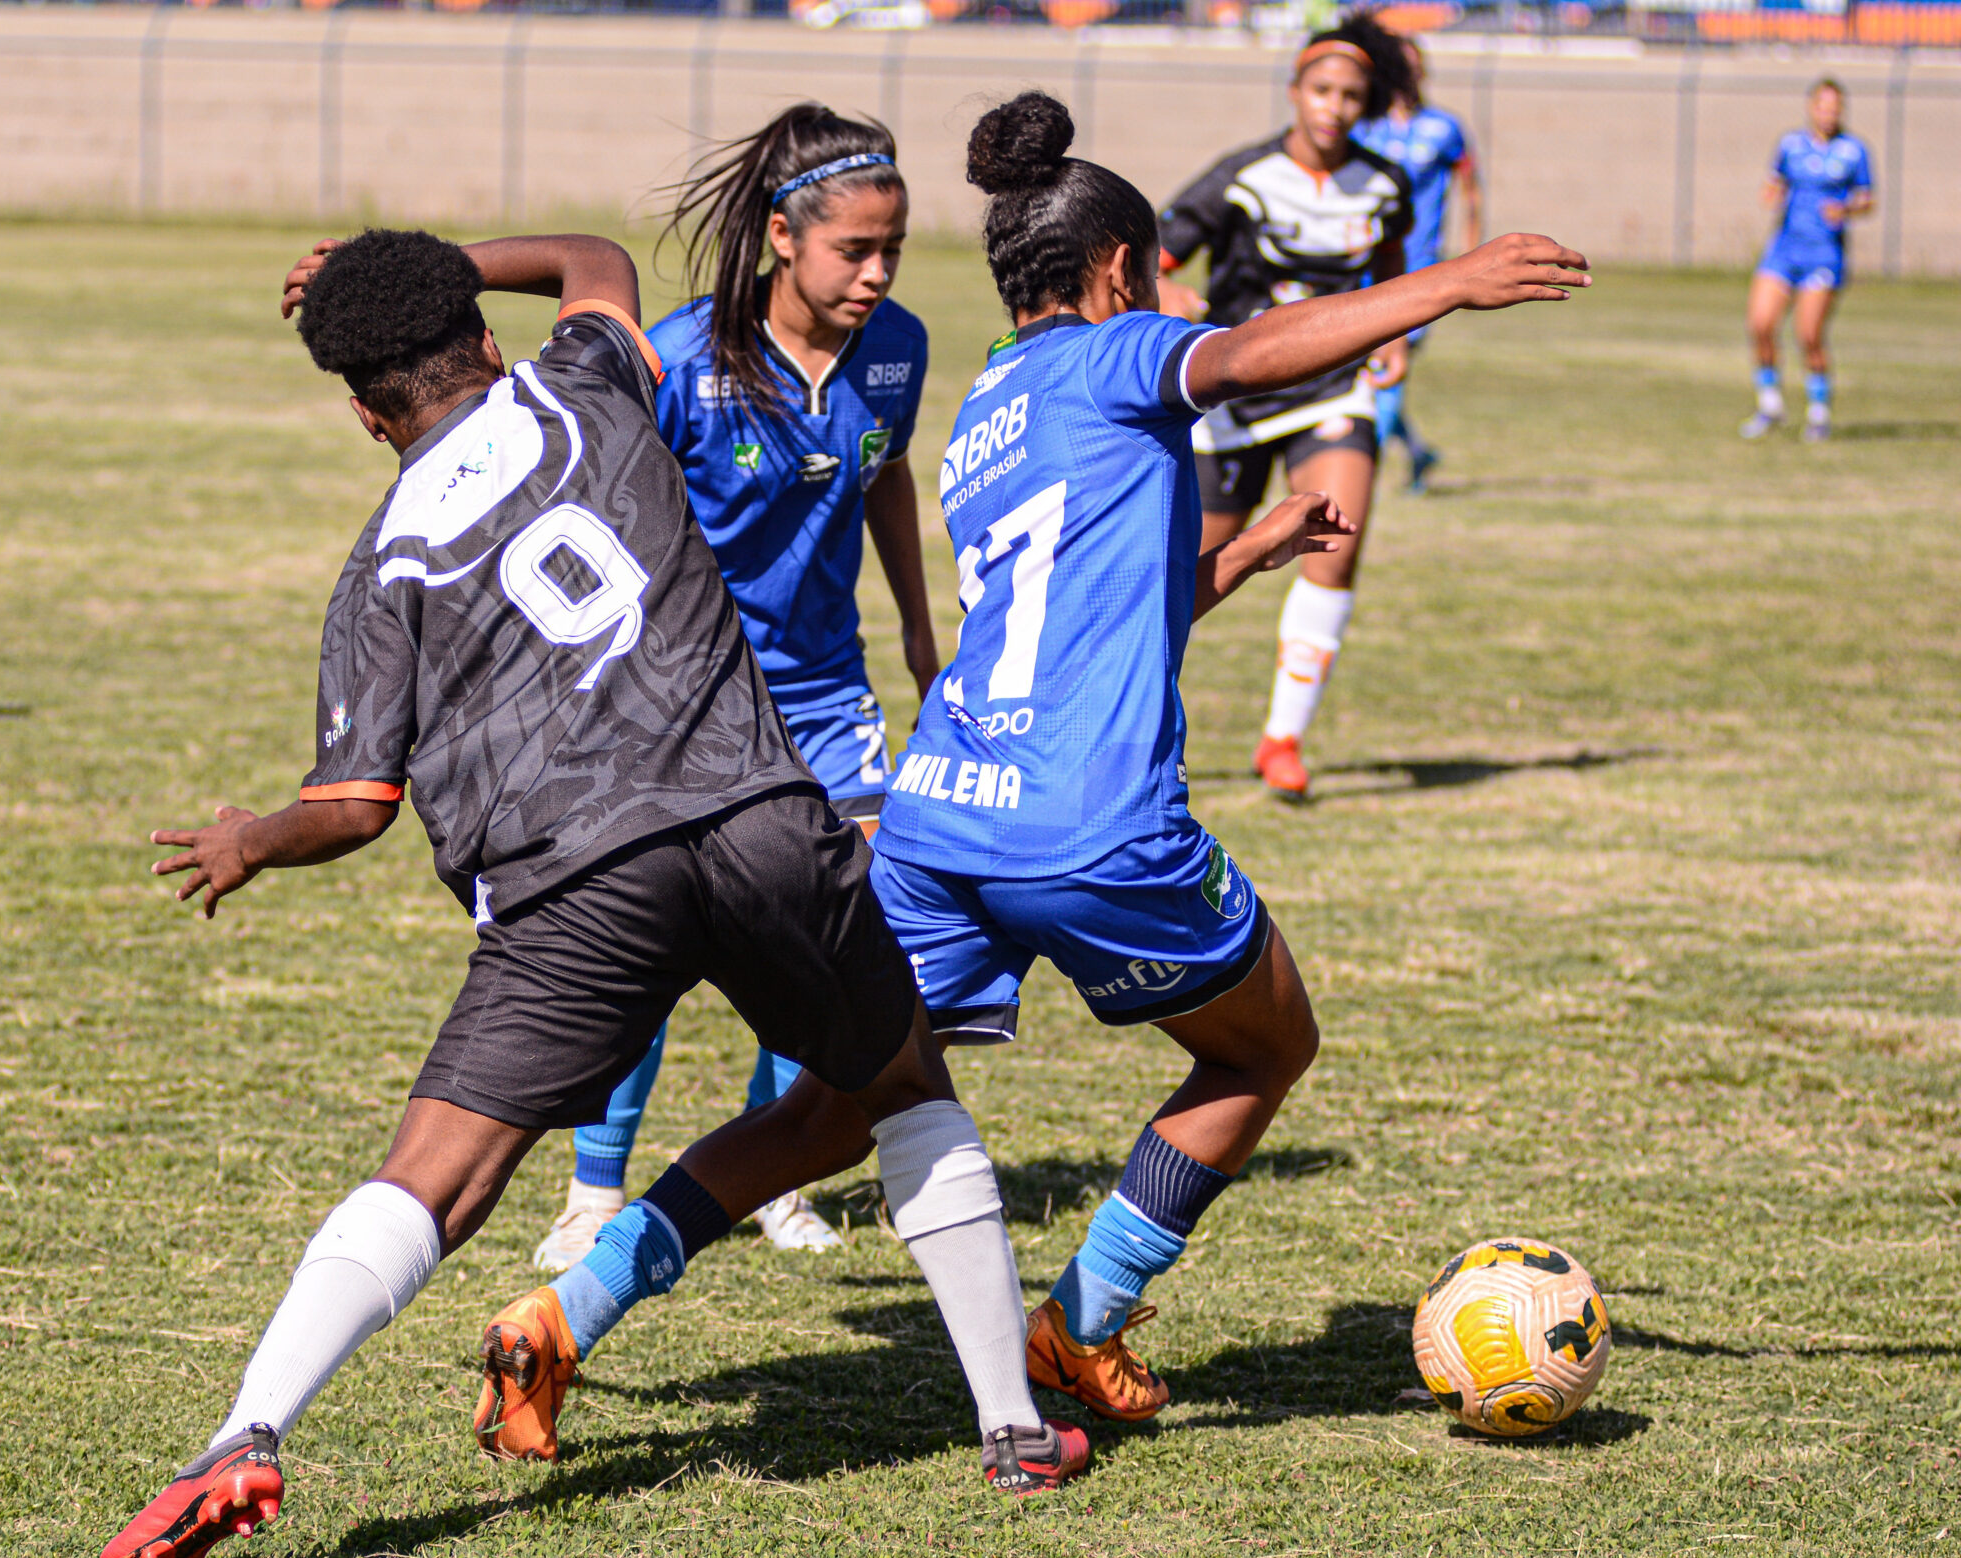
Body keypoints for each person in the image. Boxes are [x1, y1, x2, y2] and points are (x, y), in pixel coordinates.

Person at [474, 90, 1589, 1452]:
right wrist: (1446, 285)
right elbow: (1244, 360)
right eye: (1158, 277)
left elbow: (1083, 615)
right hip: (1092, 826)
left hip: (942, 817)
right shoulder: (1122, 354)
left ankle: (562, 1317)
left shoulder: (993, 402)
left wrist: (1244, 550)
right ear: (1121, 271)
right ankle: (1089, 1314)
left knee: (834, 1109)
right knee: (1265, 1046)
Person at [93, 228, 1089, 1558]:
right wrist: (453, 249)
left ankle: (243, 1426)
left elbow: (357, 802)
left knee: (439, 1171)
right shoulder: (586, 380)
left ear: (364, 411)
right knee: (902, 1078)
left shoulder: (382, 567)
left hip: (574, 882)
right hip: (754, 818)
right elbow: (593, 253)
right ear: (487, 338)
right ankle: (1017, 1430)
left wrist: (248, 838)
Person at [529, 102, 941, 1273]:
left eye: (891, 251)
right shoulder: (678, 358)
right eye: (852, 250)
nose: (873, 275)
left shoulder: (899, 348)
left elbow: (885, 480)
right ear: (780, 237)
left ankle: (779, 1178)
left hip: (825, 698)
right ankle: (595, 1191)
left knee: (836, 934)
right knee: (655, 937)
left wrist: (916, 627)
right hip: (678, 698)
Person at [1158, 13, 1414, 802]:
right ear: (1296, 90)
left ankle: (1283, 739)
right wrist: (1165, 292)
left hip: (1333, 389)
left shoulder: (1383, 184)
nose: (1335, 106)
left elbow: (1391, 260)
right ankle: (1126, 719)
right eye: (1322, 89)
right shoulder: (1242, 175)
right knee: (1179, 574)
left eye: (1351, 94)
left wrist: (1393, 326)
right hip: (1239, 387)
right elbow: (1155, 251)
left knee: (1337, 541)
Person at [1351, 33, 1482, 492]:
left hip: (1420, 269)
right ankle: (1420, 453)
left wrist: (1470, 257)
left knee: (1386, 374)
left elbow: (1472, 192)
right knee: (1366, 374)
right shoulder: (1362, 128)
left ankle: (1359, 474)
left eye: (1410, 66)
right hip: (1361, 268)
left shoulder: (1446, 128)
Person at [1743, 77, 1871, 445]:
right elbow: (1775, 181)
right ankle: (1769, 405)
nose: (1829, 114)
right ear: (1811, 107)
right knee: (1761, 324)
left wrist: (1846, 208)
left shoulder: (1853, 151)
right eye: (1823, 107)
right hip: (1783, 251)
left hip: (1823, 255)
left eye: (1835, 108)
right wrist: (1771, 192)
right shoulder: (1790, 145)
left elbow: (1867, 198)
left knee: (1809, 335)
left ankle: (1818, 413)